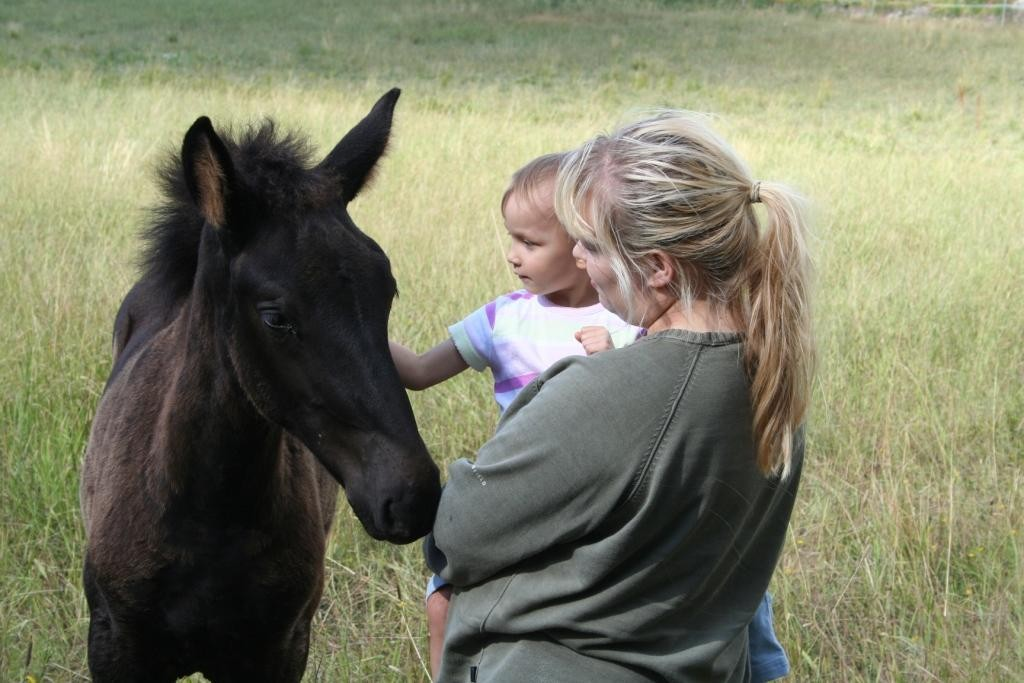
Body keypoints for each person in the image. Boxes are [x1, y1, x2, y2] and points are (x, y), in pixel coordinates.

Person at [423, 110, 814, 682]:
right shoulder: (774, 380)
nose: (578, 260)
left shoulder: (606, 392)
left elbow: (457, 533)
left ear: (656, 268)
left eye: (590, 245)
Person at [389, 152, 643, 679]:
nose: (513, 255)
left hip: (591, 496)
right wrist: (356, 326)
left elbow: (643, 408)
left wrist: (614, 360)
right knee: (443, 604)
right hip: (515, 489)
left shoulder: (624, 318)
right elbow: (416, 371)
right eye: (511, 239)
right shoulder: (504, 318)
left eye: (529, 243)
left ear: (581, 246)